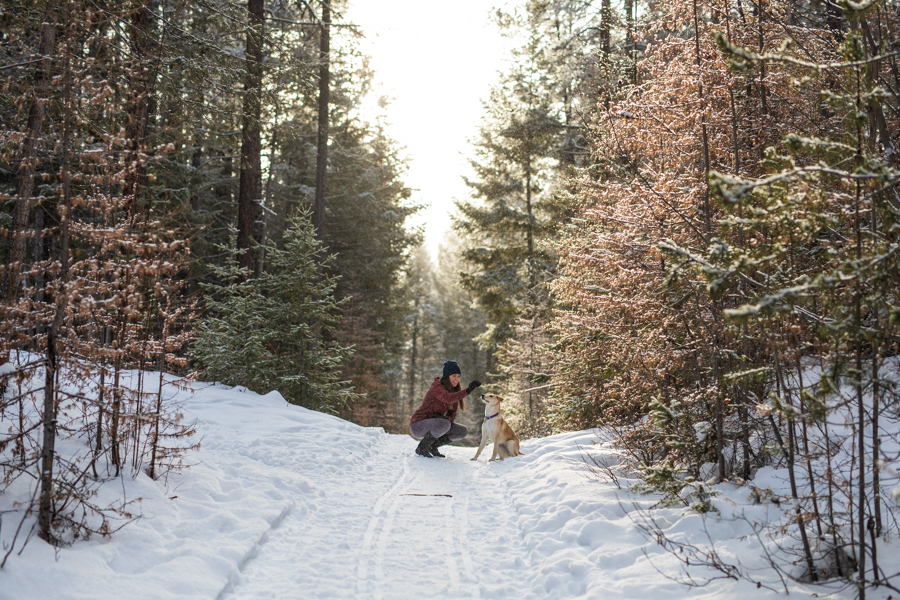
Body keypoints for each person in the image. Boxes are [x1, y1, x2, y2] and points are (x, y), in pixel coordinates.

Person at [410, 360, 481, 458]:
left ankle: (432, 446)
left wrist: (446, 419)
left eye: (458, 376)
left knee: (462, 431)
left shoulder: (454, 392)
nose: (457, 379)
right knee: (444, 424)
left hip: (435, 424)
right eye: (454, 376)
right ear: (447, 376)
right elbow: (447, 398)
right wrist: (467, 391)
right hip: (418, 425)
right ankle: (422, 448)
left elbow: (452, 414)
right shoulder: (437, 387)